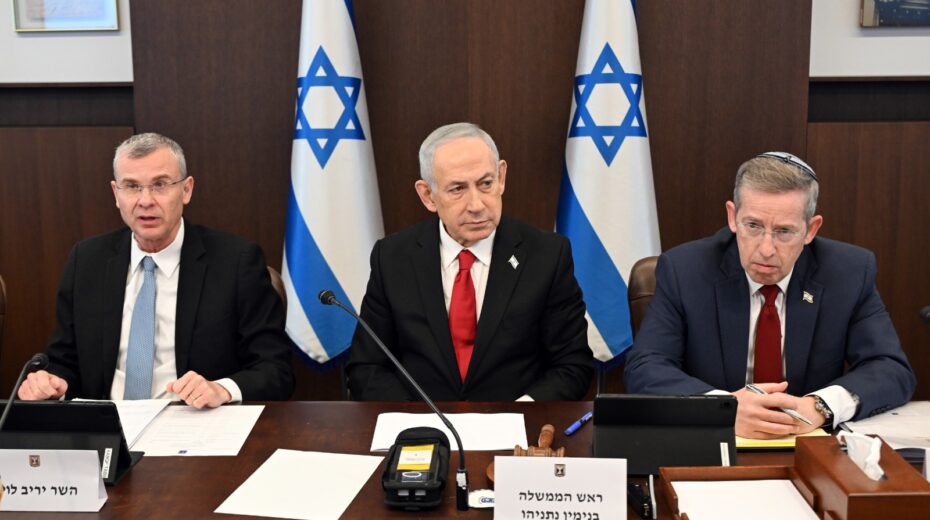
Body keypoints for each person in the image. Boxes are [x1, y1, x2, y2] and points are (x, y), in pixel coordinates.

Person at [624, 152, 916, 438]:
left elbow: (890, 368)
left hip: (809, 446)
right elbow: (646, 366)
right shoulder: (685, 270)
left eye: (784, 231)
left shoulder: (848, 272)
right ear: (732, 217)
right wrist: (721, 408)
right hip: (716, 445)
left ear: (810, 230)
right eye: (753, 226)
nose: (766, 249)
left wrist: (821, 407)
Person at [18, 133, 294, 408]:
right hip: (108, 428)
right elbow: (63, 361)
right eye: (132, 186)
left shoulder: (235, 262)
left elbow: (275, 369)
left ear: (186, 190)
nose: (146, 200)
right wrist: (53, 384)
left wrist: (220, 389)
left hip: (194, 427)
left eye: (160, 185)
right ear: (116, 194)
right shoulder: (87, 260)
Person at [346, 122, 593, 401]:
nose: (476, 205)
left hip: (513, 433)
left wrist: (521, 413)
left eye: (486, 183)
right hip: (423, 431)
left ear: (501, 177)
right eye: (457, 189)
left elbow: (573, 366)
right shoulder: (392, 257)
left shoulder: (547, 255)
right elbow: (366, 367)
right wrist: (416, 419)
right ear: (428, 195)